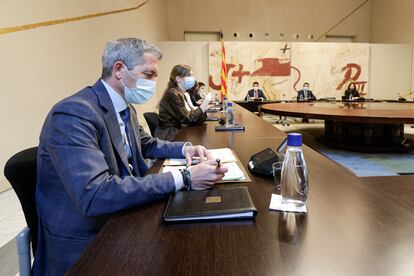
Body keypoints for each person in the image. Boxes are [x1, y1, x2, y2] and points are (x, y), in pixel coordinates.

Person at [33, 38, 228, 275]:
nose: (154, 83)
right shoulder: (74, 113)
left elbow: (146, 143)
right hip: (89, 241)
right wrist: (185, 177)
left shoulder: (123, 106)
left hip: (125, 216)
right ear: (118, 69)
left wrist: (185, 149)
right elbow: (95, 193)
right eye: (148, 74)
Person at [156, 65, 212, 141]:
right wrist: (205, 103)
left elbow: (192, 117)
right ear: (178, 79)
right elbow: (188, 119)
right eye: (189, 75)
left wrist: (203, 108)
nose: (192, 78)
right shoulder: (172, 94)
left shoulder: (181, 93)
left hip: (179, 130)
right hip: (171, 136)